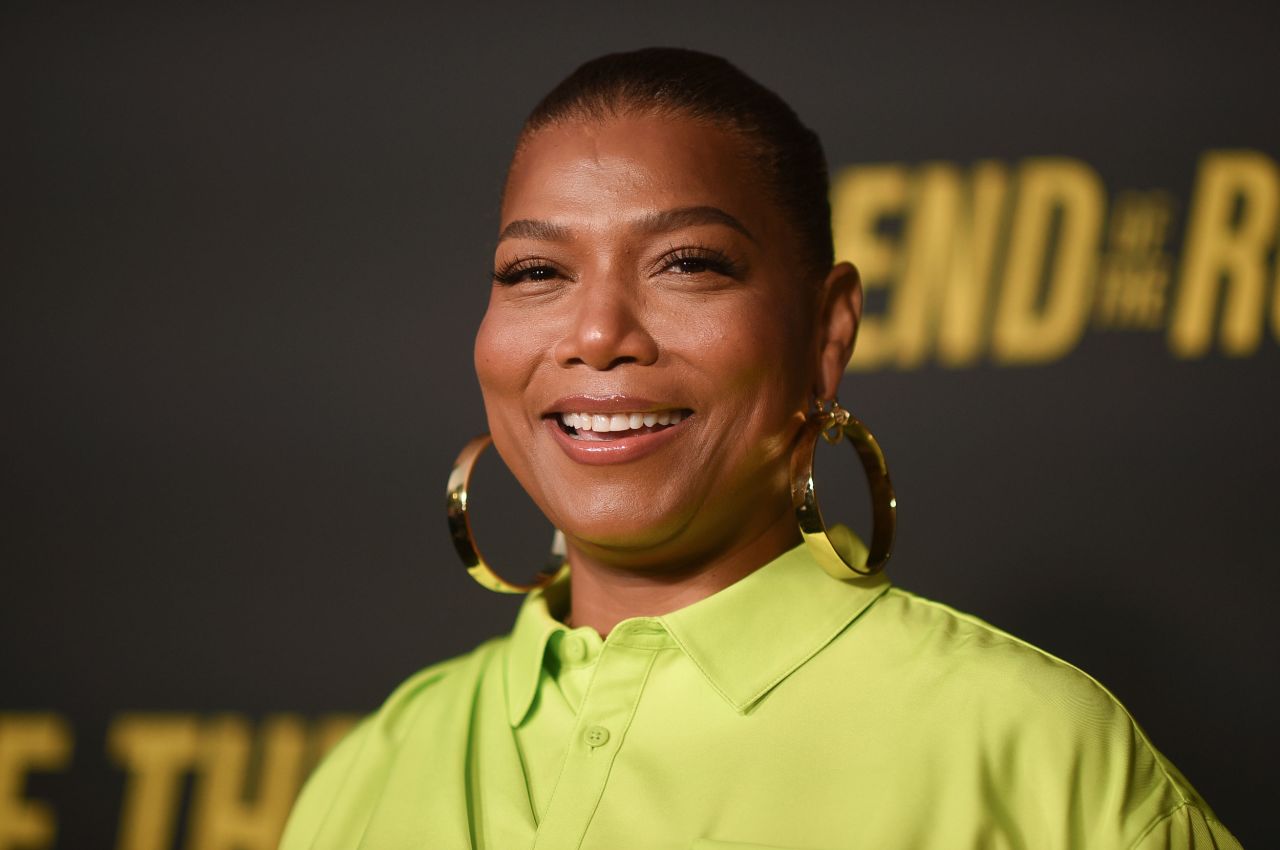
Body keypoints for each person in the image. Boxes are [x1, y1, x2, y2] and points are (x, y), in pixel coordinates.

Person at [279, 48, 1239, 849]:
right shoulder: (378, 764)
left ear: (827, 334)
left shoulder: (1035, 753)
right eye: (536, 271)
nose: (598, 331)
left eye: (688, 264)